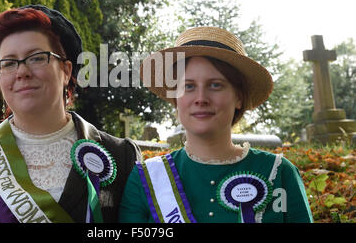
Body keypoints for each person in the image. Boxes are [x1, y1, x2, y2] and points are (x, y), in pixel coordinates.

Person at [0, 5, 140, 223]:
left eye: (36, 58)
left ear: (65, 71)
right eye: (8, 63)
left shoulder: (120, 156)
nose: (22, 72)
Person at [119, 26, 313, 223]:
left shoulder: (280, 173)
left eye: (215, 85)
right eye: (189, 86)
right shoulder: (145, 179)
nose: (201, 98)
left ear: (239, 98)